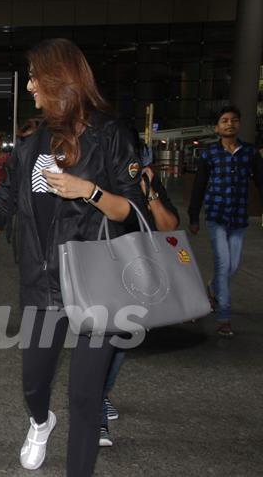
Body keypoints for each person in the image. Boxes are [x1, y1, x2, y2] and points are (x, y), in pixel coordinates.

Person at [0, 39, 146, 477]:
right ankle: (40, 422)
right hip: (42, 286)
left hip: (98, 284)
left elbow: (132, 212)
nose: (31, 85)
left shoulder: (110, 135)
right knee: (34, 384)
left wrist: (89, 192)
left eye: (36, 76)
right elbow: (2, 211)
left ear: (61, 78)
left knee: (84, 395)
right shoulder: (31, 143)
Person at [99, 145, 180, 448]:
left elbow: (169, 227)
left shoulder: (148, 183)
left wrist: (150, 191)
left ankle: (102, 394)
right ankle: (97, 419)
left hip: (141, 275)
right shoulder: (100, 180)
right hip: (104, 270)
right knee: (103, 341)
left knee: (121, 342)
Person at [188, 105, 263, 337]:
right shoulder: (209, 154)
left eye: (233, 120)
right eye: (224, 120)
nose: (229, 123)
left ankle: (211, 290)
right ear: (216, 127)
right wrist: (193, 216)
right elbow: (200, 185)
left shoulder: (250, 153)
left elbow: (261, 182)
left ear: (239, 124)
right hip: (216, 216)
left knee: (233, 264)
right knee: (222, 264)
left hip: (239, 218)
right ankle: (224, 317)